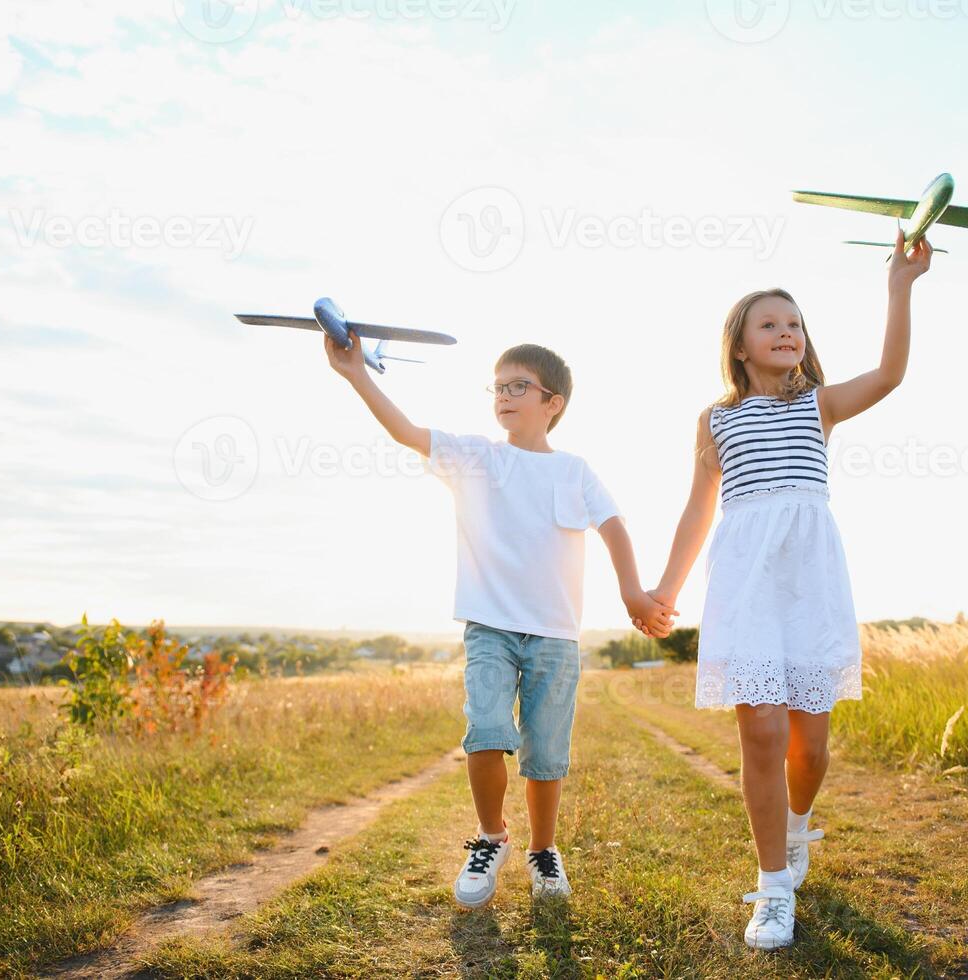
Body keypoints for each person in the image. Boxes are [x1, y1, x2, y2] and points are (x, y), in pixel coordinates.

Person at [640, 229, 932, 949]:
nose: (786, 332)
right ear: (738, 346)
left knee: (811, 746)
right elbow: (696, 508)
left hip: (809, 582)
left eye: (794, 323)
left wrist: (899, 285)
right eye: (768, 323)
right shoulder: (714, 420)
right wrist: (664, 589)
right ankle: (773, 887)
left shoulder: (819, 406)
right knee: (761, 730)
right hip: (743, 581)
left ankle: (797, 828)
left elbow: (891, 373)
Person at [325, 334, 674, 909]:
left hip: (556, 634)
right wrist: (357, 374)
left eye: (519, 386)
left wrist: (633, 591)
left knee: (545, 752)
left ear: (552, 402)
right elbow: (407, 431)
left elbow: (613, 526)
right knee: (485, 733)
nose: (505, 396)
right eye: (499, 387)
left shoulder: (575, 470)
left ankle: (543, 851)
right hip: (489, 625)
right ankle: (492, 838)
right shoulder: (476, 456)